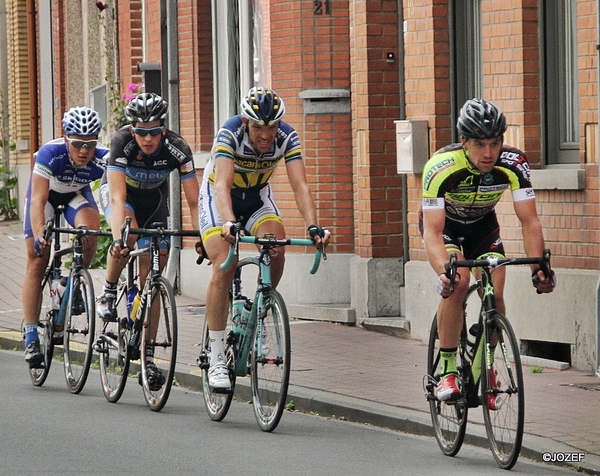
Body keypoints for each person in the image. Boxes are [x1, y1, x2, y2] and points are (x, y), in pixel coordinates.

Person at [420, 98, 555, 407]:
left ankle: (488, 366)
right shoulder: (441, 167)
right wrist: (445, 271)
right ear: (463, 142)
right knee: (460, 282)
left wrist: (539, 269)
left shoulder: (514, 164)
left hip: (483, 227)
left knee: (496, 291)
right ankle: (449, 370)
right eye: (480, 144)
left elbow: (530, 220)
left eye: (495, 143)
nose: (489, 153)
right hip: (447, 228)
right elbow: (432, 232)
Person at [199, 86, 330, 390]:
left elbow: (300, 185)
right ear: (246, 123)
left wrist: (313, 227)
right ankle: (217, 356)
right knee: (223, 263)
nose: (266, 134)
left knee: (277, 245)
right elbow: (222, 186)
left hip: (257, 197)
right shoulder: (230, 132)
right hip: (221, 197)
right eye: (259, 127)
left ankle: (261, 308)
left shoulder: (287, 136)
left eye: (272, 127)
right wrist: (230, 222)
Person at [96, 92, 199, 388]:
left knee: (153, 274)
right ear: (132, 130)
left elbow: (194, 202)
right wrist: (119, 238)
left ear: (163, 129)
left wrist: (204, 236)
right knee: (128, 236)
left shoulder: (178, 148)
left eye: (154, 131)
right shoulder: (121, 143)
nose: (148, 138)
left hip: (154, 200)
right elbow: (117, 199)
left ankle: (148, 355)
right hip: (122, 196)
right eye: (142, 132)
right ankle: (109, 289)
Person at [22, 107, 108, 368]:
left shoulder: (103, 157)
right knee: (38, 260)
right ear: (66, 139)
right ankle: (31, 334)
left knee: (91, 231)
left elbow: (113, 192)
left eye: (90, 144)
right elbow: (38, 200)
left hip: (74, 194)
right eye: (78, 144)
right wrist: (39, 235)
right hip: (46, 196)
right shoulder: (51, 153)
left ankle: (75, 280)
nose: (84, 151)